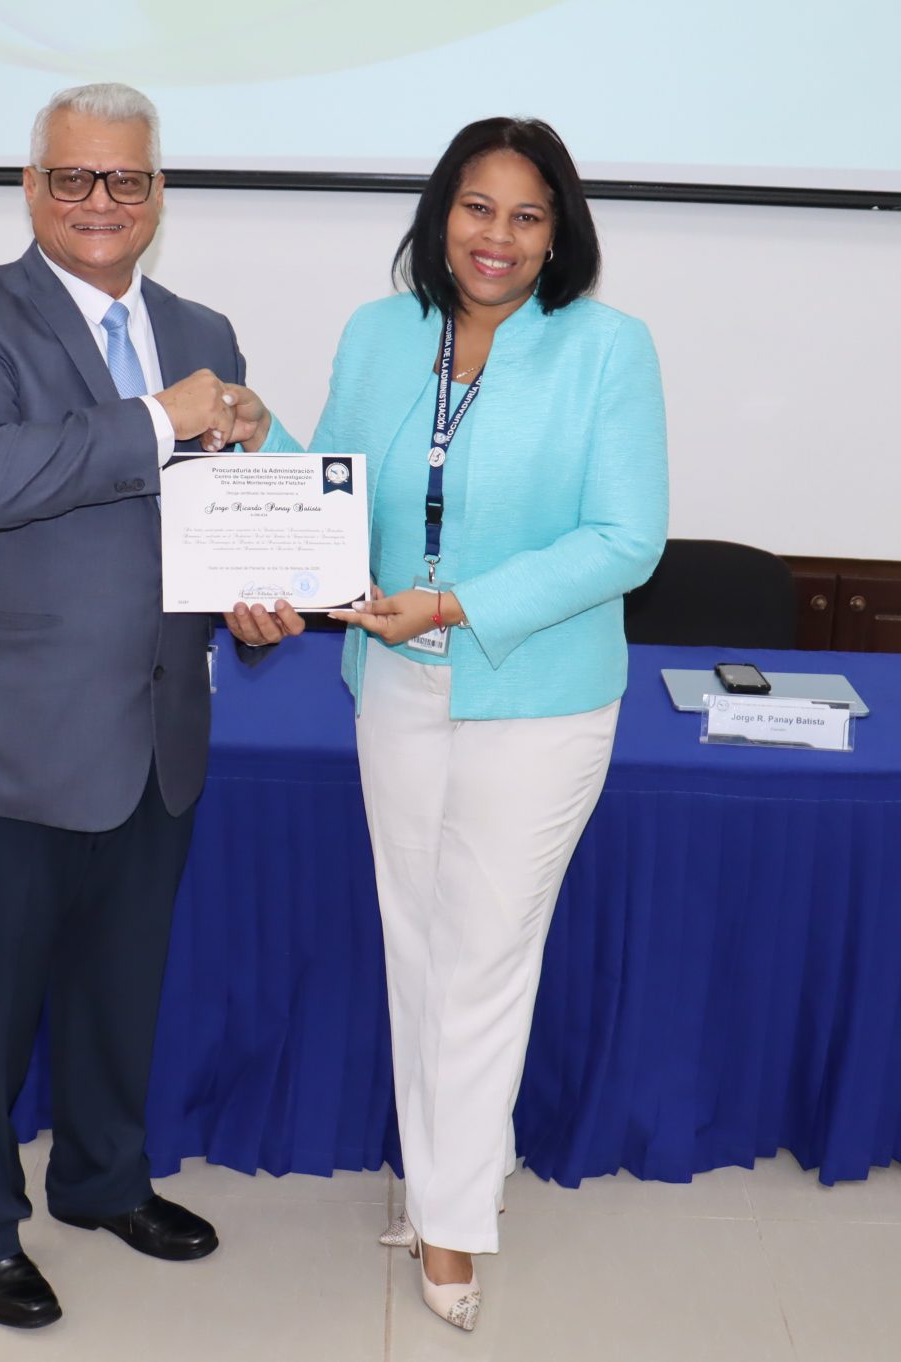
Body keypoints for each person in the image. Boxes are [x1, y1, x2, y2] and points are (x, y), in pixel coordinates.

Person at [231, 117, 668, 1331]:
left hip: (538, 697)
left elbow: (625, 540)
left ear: (557, 235)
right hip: (394, 687)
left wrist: (460, 603)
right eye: (477, 207)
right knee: (418, 945)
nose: (497, 237)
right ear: (439, 214)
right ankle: (452, 1172)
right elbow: (332, 494)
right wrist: (260, 439)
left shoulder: (605, 349)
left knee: (481, 959)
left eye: (526, 216)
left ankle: (452, 1220)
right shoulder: (380, 333)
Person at [0, 82, 302, 1331]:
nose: (98, 202)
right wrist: (155, 416)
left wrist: (248, 596)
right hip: (6, 735)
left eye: (124, 179)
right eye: (72, 177)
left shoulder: (203, 330)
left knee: (119, 991)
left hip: (156, 728)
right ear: (32, 188)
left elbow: (210, 517)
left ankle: (101, 1181)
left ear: (157, 194)